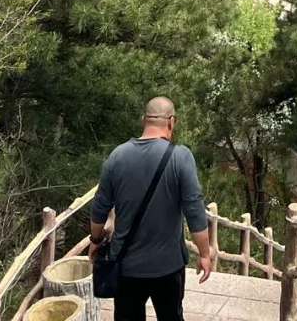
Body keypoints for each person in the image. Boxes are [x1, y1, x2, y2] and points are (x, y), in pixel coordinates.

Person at [89, 97, 213, 321]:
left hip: (126, 266)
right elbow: (195, 210)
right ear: (171, 122)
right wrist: (204, 253)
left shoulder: (117, 156)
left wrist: (96, 240)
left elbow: (100, 207)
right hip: (168, 266)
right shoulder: (181, 157)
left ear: (143, 120)